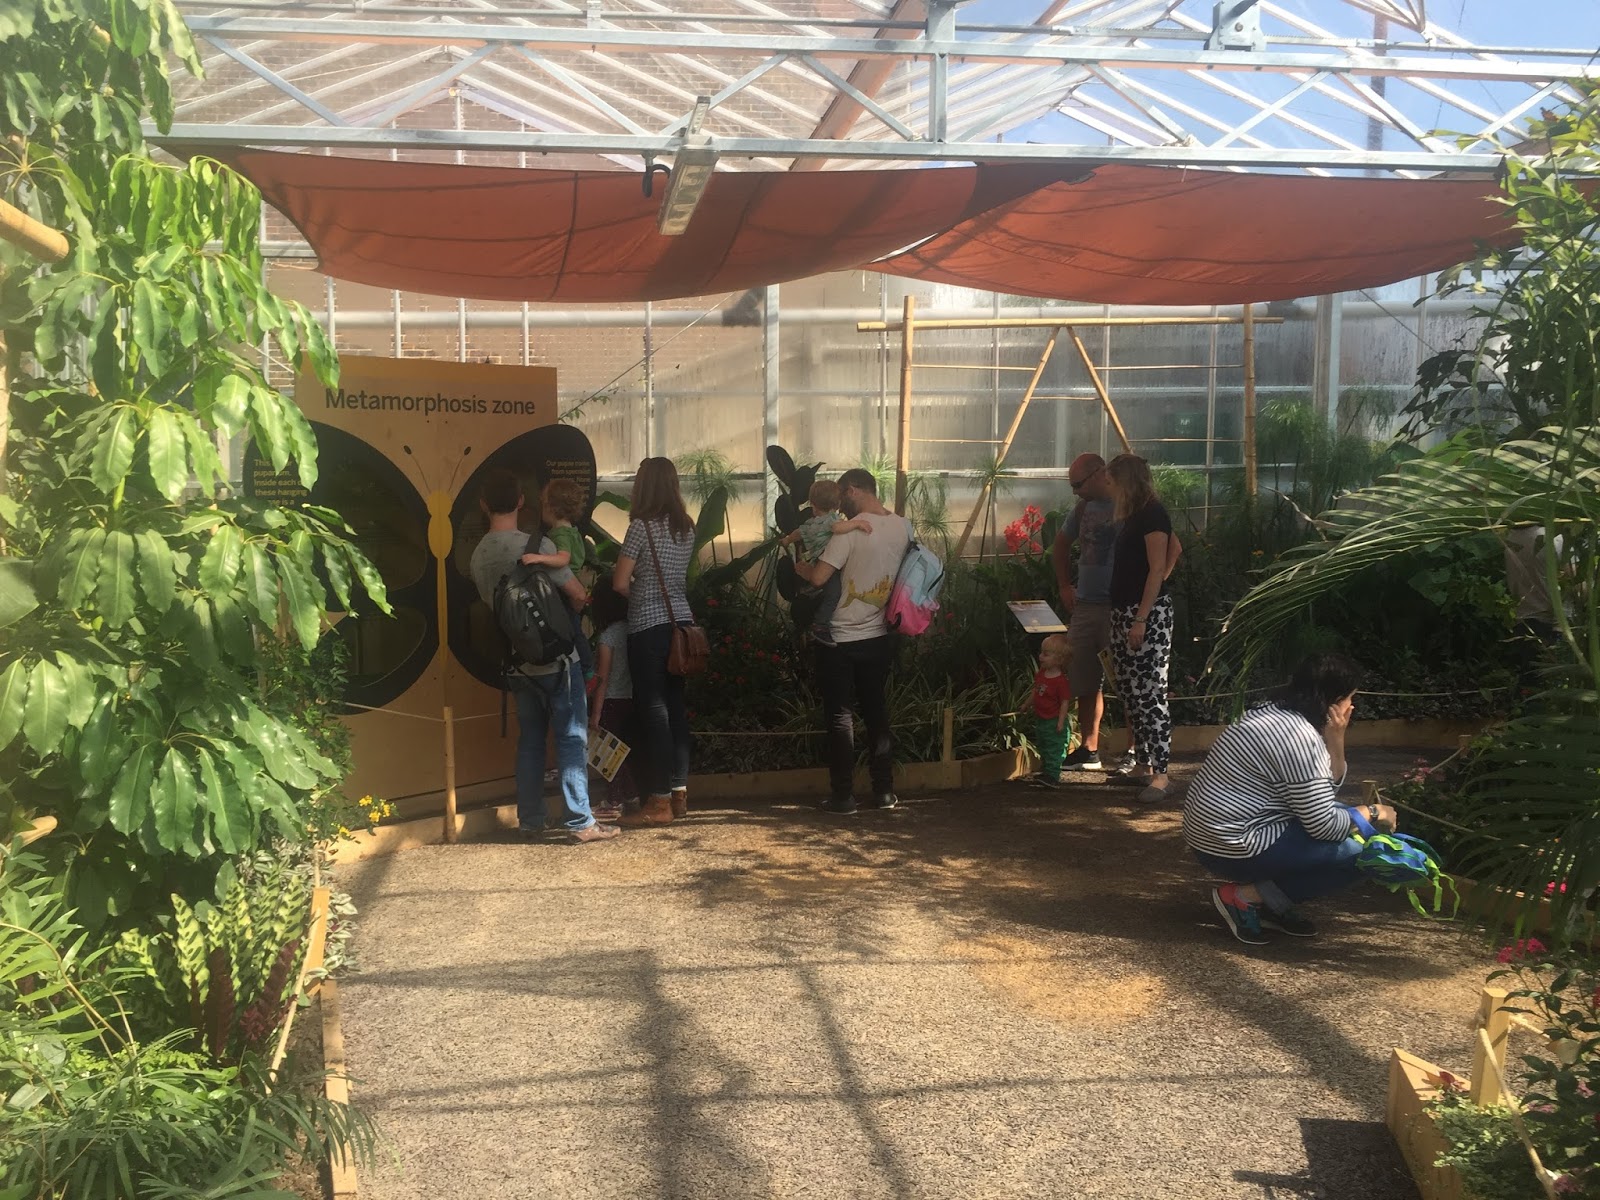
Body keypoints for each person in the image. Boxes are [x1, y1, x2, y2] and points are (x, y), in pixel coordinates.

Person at [1183, 654, 1397, 944]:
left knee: (1346, 818)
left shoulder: (1270, 712)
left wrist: (1336, 738)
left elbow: (1322, 795)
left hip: (1210, 837)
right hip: (1234, 844)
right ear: (1333, 702)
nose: (1352, 706)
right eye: (1349, 698)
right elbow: (1324, 826)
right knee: (1365, 855)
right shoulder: (1298, 738)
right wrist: (1373, 811)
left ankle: (1269, 902)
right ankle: (1243, 898)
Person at [468, 467, 618, 844]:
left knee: (530, 741)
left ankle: (531, 820)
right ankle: (580, 822)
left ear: (484, 505)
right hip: (558, 661)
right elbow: (578, 596)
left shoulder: (477, 557)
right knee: (570, 738)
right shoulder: (539, 546)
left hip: (517, 664)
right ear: (521, 501)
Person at [793, 468, 911, 815]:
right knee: (876, 712)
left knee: (840, 717)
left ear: (855, 490)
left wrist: (800, 569)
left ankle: (843, 796)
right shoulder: (902, 527)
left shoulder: (846, 533)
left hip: (838, 638)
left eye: (842, 495)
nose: (838, 504)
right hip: (877, 635)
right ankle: (884, 792)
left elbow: (819, 579)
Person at [612, 457, 696, 827]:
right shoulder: (687, 528)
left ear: (643, 487)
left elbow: (619, 582)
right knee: (676, 709)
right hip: (682, 627)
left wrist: (641, 597)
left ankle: (658, 801)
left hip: (647, 628)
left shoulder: (640, 528)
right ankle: (679, 794)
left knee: (655, 712)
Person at [1105, 454, 1182, 804]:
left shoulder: (1153, 514)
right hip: (1126, 610)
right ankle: (1143, 763)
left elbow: (1157, 565)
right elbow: (1175, 547)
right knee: (1130, 689)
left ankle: (1162, 773)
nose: (1110, 488)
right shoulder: (1137, 513)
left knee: (1150, 691)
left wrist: (1142, 616)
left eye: (1113, 482)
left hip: (1145, 615)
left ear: (1127, 482)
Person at [1051, 453, 1119, 771]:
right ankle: (1088, 748)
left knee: (1127, 679)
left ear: (1098, 474)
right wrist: (1066, 585)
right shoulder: (1082, 509)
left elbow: (1167, 546)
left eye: (1078, 484)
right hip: (1086, 605)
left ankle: (1136, 750)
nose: (1076, 491)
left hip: (1119, 606)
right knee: (1083, 677)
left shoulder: (1129, 504)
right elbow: (1061, 545)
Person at [521, 478, 595, 687]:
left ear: (552, 507)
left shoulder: (560, 533)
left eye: (543, 503)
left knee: (571, 628)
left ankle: (587, 667)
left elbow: (563, 558)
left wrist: (539, 558)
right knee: (574, 627)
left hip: (565, 589)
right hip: (574, 585)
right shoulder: (571, 529)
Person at [778, 479, 871, 645]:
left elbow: (798, 533)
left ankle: (812, 599)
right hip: (829, 567)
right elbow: (837, 529)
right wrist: (857, 523)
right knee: (834, 594)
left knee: (823, 592)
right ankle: (820, 625)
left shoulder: (811, 524)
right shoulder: (832, 521)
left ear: (813, 505)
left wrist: (786, 540)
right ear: (837, 504)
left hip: (816, 564)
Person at [587, 578, 640, 822]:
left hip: (610, 700)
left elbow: (603, 676)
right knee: (625, 752)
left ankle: (615, 799)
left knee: (610, 755)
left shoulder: (607, 637)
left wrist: (596, 712)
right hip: (632, 697)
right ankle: (630, 796)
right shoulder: (633, 629)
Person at [1029, 634, 1073, 789]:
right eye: (1041, 653)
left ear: (1059, 659)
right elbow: (1036, 691)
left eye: (1046, 654)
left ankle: (1053, 775)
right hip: (1041, 718)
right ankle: (1046, 771)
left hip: (1054, 720)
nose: (1041, 657)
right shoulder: (1041, 674)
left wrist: (1061, 722)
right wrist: (1026, 705)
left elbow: (1064, 703)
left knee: (1054, 747)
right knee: (1043, 744)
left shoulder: (1061, 682)